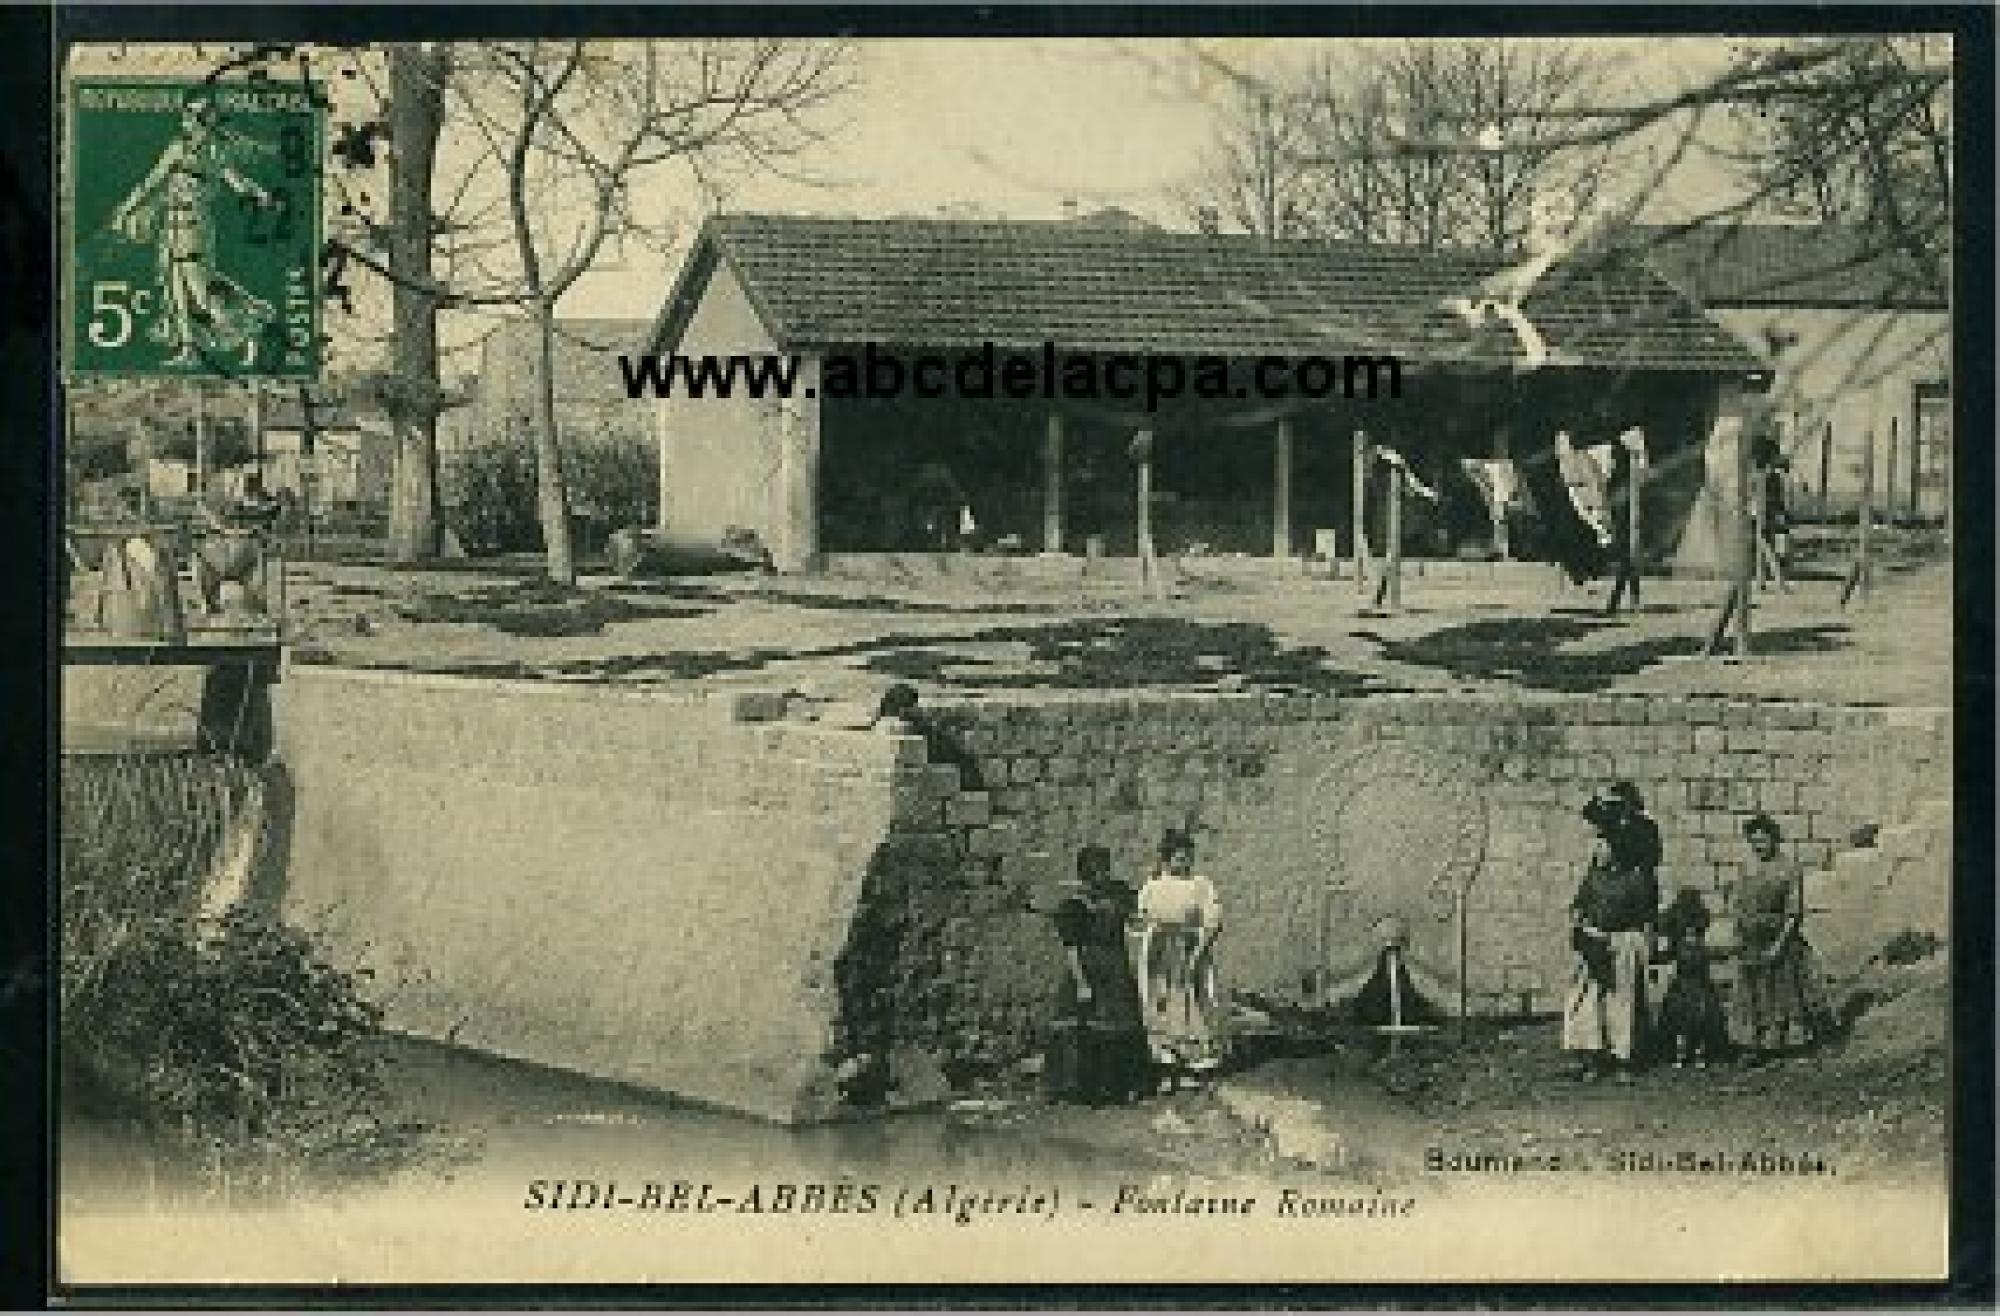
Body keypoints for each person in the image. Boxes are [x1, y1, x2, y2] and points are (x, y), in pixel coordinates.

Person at [1562, 781, 1662, 1080]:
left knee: (1622, 1002)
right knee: (1587, 1001)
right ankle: (1591, 1056)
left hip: (1622, 938)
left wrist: (1648, 941)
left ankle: (1623, 1060)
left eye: (1604, 846)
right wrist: (1581, 927)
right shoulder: (1594, 876)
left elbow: (1646, 912)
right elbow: (1578, 904)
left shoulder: (1637, 870)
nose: (1599, 850)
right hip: (1594, 939)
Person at [1044, 845, 1151, 1106]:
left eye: (1105, 868)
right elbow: (1071, 948)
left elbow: (1136, 921)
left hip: (1115, 966)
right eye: (1096, 871)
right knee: (1084, 1028)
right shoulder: (1073, 905)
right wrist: (1081, 982)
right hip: (1088, 967)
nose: (1102, 875)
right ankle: (1081, 1089)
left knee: (1120, 1025)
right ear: (1085, 874)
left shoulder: (1117, 896)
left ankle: (1119, 1087)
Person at [1135, 829, 1225, 1087]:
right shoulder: (1153, 886)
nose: (1184, 861)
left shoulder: (1200, 885)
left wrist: (1198, 952)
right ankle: (1167, 1064)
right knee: (1160, 1000)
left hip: (1189, 949)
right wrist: (1150, 942)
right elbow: (1141, 919)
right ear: (1166, 858)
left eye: (1188, 856)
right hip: (1159, 952)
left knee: (1191, 1000)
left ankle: (1194, 1066)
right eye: (1178, 856)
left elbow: (1212, 922)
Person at [1731, 812, 1813, 1058]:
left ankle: (1781, 1044)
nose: (1759, 847)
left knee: (1780, 989)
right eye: (1754, 842)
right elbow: (1740, 903)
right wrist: (1738, 932)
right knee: (1752, 990)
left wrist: (1780, 943)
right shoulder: (1746, 867)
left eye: (1763, 841)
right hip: (1750, 938)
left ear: (1774, 839)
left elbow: (1793, 912)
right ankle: (1753, 1043)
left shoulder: (1789, 869)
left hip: (1778, 936)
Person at [1656, 888, 1728, 1068]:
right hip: (1694, 988)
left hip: (1689, 988)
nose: (1691, 932)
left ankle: (1691, 1055)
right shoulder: (1694, 946)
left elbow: (1663, 955)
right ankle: (1691, 1055)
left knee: (1687, 1020)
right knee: (1693, 1020)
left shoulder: (1685, 946)